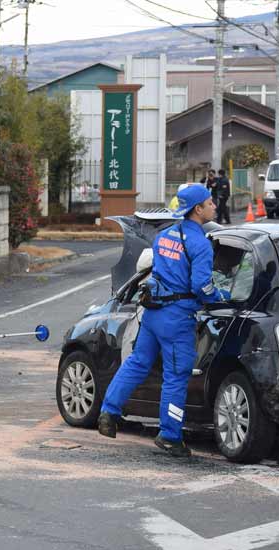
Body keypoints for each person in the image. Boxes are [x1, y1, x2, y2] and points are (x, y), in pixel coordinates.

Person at [97, 184, 227, 458]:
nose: (214, 206)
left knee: (137, 362)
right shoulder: (200, 244)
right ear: (197, 209)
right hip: (178, 318)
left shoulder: (164, 236)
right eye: (209, 202)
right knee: (176, 376)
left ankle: (109, 412)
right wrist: (222, 295)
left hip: (153, 312)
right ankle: (170, 435)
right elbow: (201, 286)